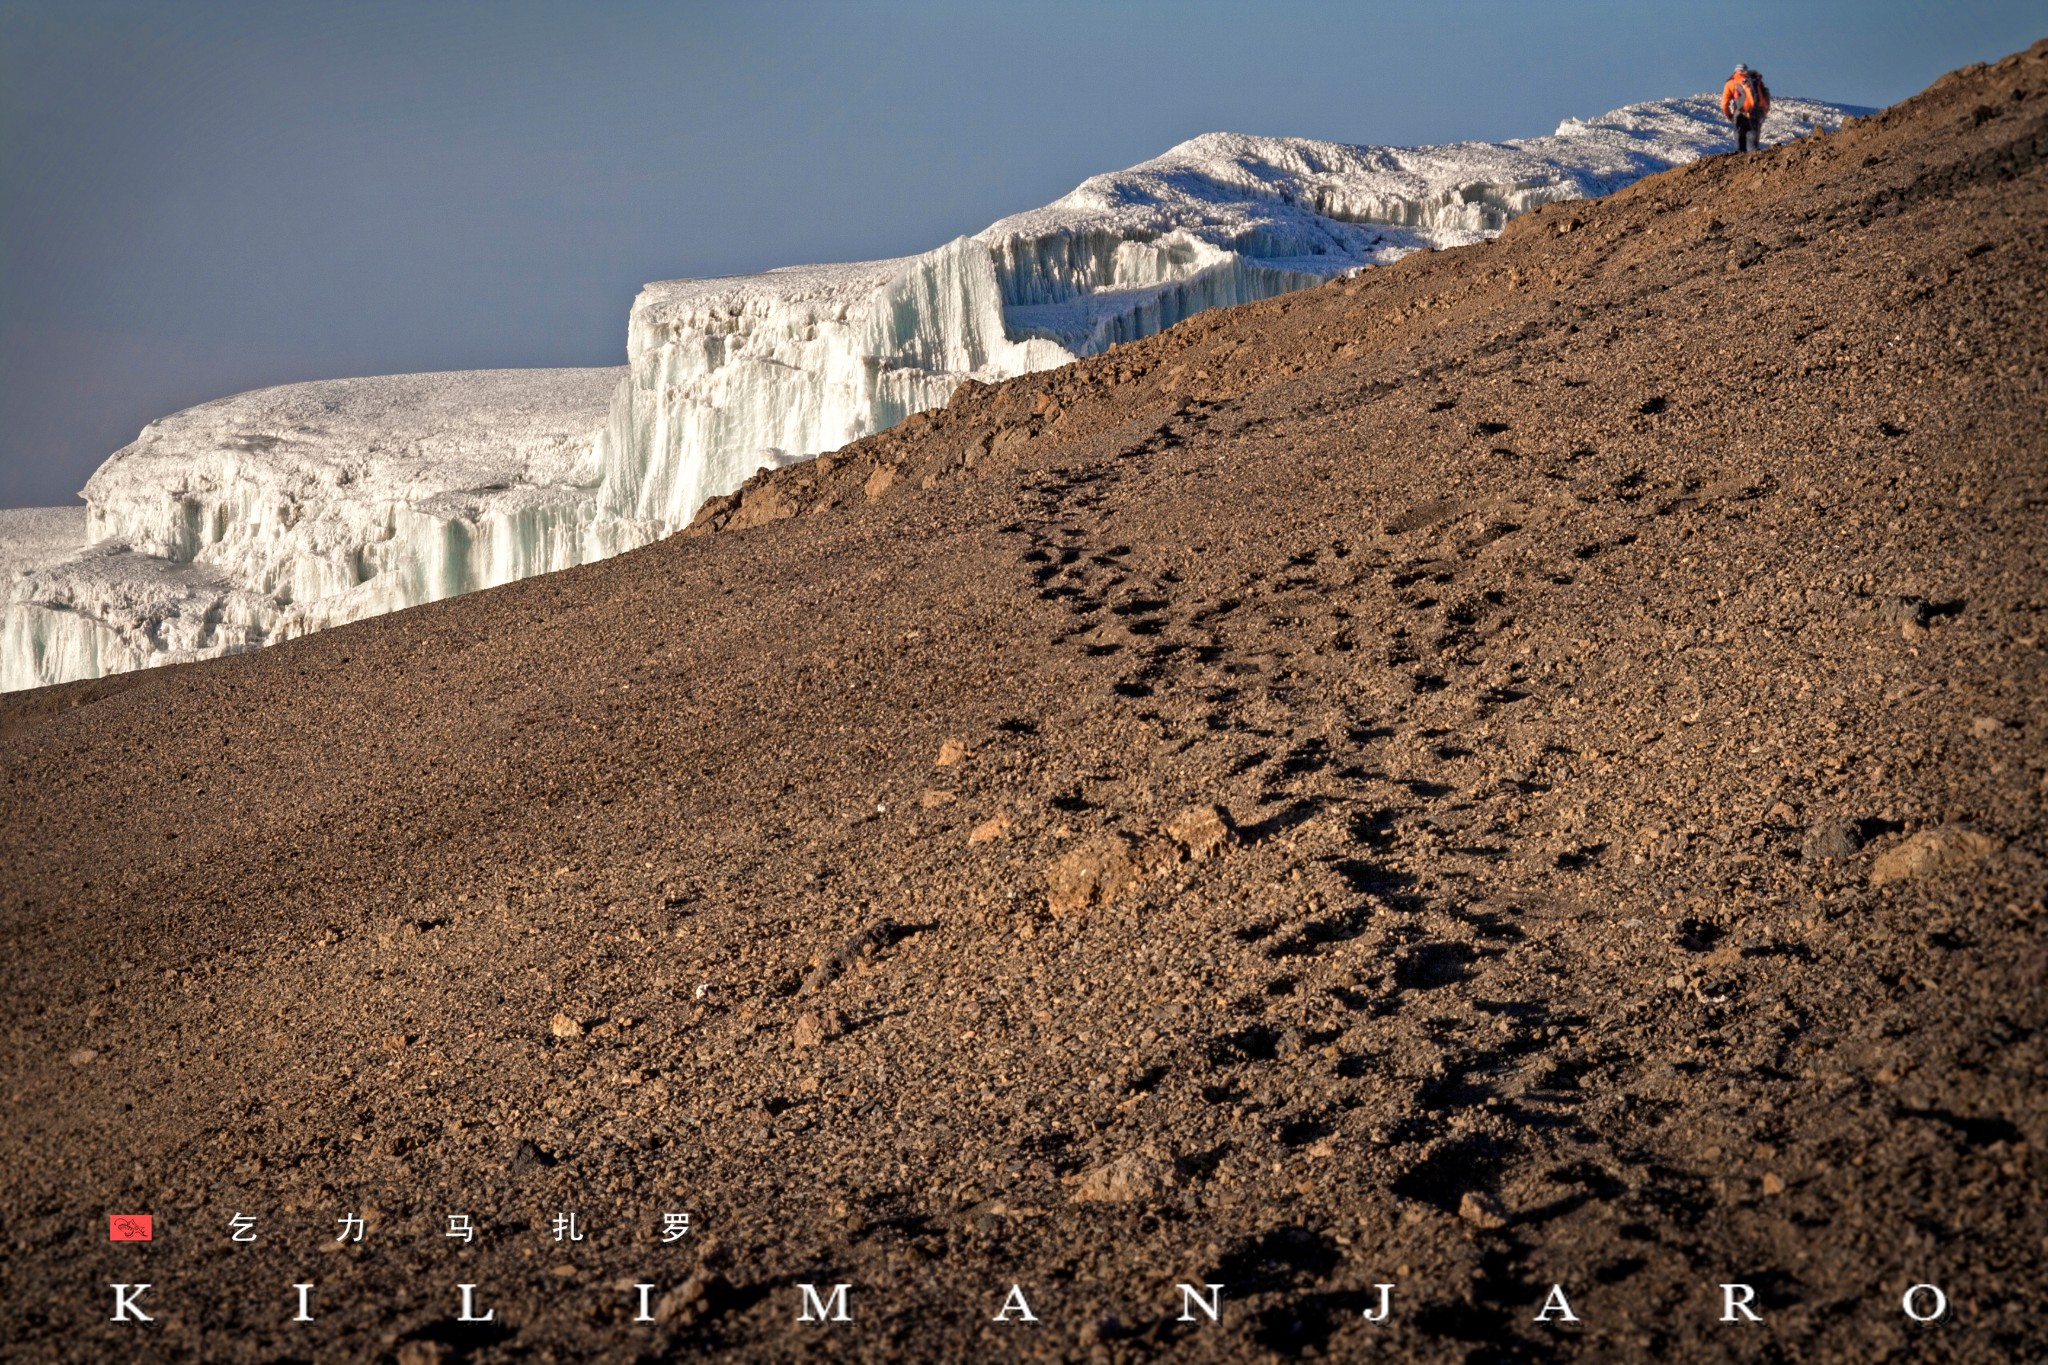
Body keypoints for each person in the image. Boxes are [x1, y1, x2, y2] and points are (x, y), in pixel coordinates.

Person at [1722, 63, 1772, 152]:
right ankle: (1754, 162)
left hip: (1740, 115)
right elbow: (1764, 99)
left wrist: (1730, 116)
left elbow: (1724, 104)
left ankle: (1740, 163)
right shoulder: (1755, 81)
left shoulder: (1731, 82)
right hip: (1755, 114)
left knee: (1739, 146)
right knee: (1752, 145)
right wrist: (1763, 113)